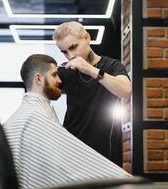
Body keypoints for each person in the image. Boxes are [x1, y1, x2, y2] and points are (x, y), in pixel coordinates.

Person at [2, 54, 131, 189]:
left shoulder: (28, 114)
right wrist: (123, 181)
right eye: (55, 75)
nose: (59, 80)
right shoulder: (35, 118)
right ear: (39, 79)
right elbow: (64, 169)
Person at [53, 21, 132, 167]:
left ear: (87, 38)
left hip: (104, 155)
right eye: (64, 52)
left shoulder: (111, 65)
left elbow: (126, 91)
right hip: (71, 152)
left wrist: (90, 70)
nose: (70, 56)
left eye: (73, 47)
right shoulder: (65, 70)